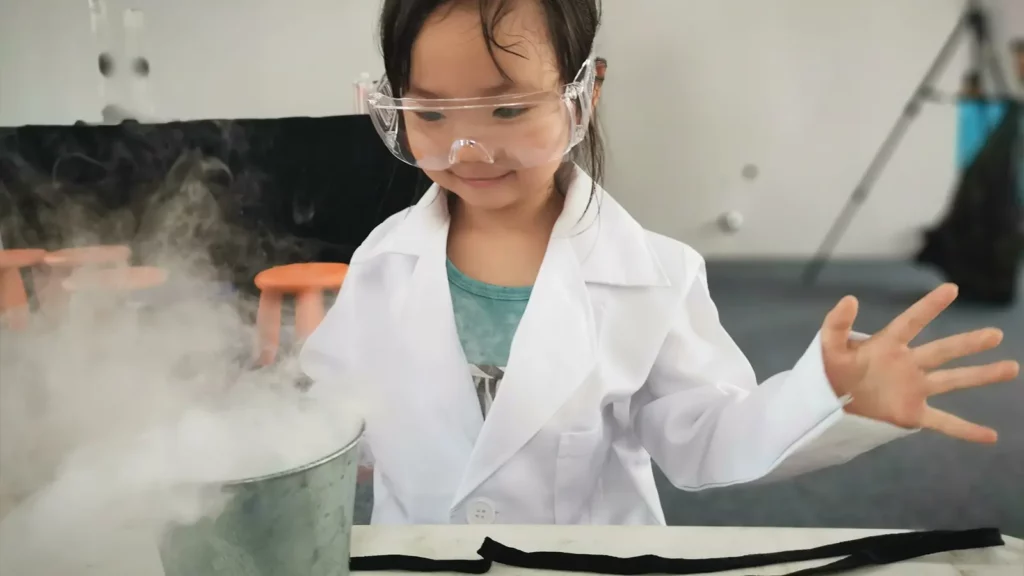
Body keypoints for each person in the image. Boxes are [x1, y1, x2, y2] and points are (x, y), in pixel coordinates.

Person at [301, 0, 1019, 525]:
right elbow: (329, 404)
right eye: (430, 115)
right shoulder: (384, 261)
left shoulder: (653, 276)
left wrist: (826, 398)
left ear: (586, 92)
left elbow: (705, 434)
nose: (470, 149)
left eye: (509, 110)